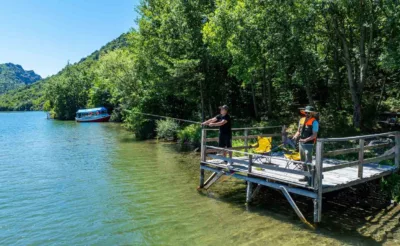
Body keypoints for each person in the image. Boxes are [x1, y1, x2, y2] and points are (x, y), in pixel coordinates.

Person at [292, 105, 319, 182]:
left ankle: (311, 178)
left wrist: (305, 140)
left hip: (309, 144)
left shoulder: (315, 122)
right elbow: (298, 131)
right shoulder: (301, 120)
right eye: (306, 112)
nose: (307, 114)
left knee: (308, 161)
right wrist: (295, 136)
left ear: (312, 114)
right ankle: (305, 177)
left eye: (309, 113)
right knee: (302, 161)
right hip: (301, 144)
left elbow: (314, 135)